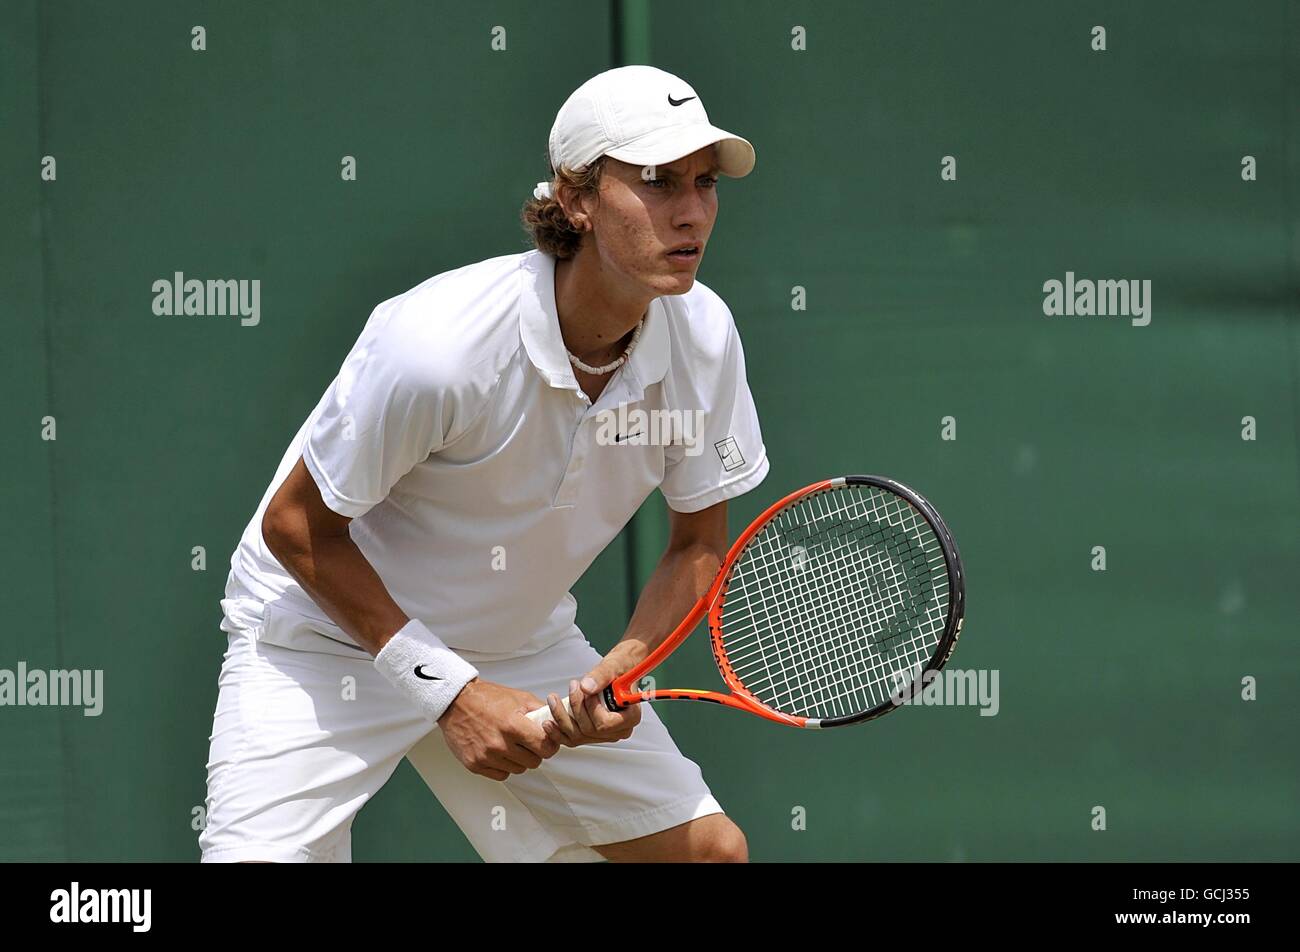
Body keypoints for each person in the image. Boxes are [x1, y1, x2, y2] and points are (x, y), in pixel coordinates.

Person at [199, 65, 768, 863]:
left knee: (709, 855)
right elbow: (296, 528)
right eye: (656, 180)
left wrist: (622, 669)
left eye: (705, 183)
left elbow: (697, 542)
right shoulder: (439, 347)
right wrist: (448, 692)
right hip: (323, 635)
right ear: (576, 197)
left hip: (515, 637)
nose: (692, 211)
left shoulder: (705, 337)